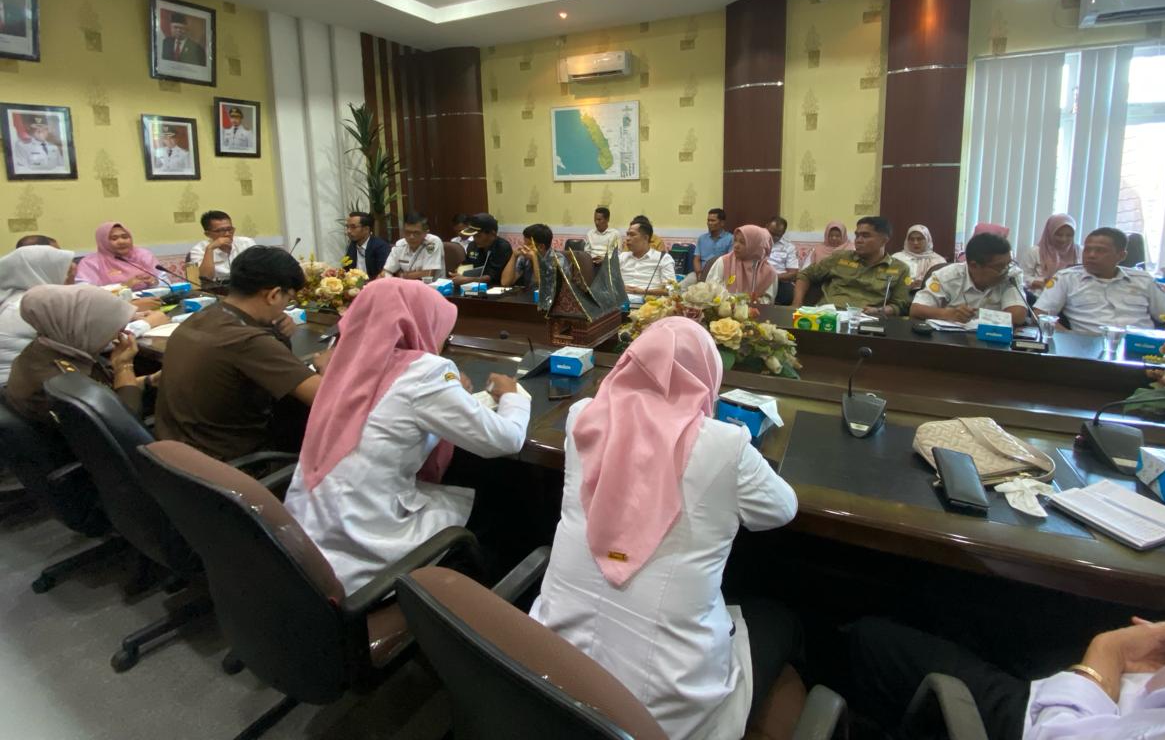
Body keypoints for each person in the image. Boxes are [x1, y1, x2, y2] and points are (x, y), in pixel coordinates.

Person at [530, 318, 800, 740]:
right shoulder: (725, 445)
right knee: (781, 622)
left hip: (546, 674)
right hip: (659, 711)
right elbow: (782, 509)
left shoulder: (583, 416)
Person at [284, 279, 531, 594]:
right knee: (504, 507)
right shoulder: (424, 372)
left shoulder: (342, 360)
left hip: (306, 537)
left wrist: (450, 392)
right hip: (364, 544)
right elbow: (507, 440)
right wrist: (512, 397)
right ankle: (478, 602)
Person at [844, 615, 1165, 740]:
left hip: (1068, 722)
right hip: (1148, 692)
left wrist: (1105, 656)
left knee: (871, 642)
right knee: (977, 611)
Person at [154, 247, 321, 461]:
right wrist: (327, 367)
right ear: (273, 295)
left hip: (173, 457)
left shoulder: (203, 316)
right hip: (230, 465)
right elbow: (327, 399)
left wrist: (274, 332)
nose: (285, 308)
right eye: (288, 299)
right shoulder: (248, 341)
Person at [4, 284, 153, 424]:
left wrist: (149, 380)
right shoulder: (63, 379)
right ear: (84, 326)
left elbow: (107, 390)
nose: (119, 334)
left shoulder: (46, 351)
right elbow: (124, 423)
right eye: (112, 327)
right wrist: (124, 367)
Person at [1034, 227, 1165, 335]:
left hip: (1139, 347)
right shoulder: (1066, 278)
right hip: (1088, 348)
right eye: (1087, 250)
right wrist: (1070, 338)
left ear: (1121, 255)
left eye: (1100, 251)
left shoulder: (1143, 280)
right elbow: (1040, 314)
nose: (1091, 255)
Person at [793, 216, 911, 316]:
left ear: (884, 240)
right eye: (857, 235)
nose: (858, 240)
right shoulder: (840, 258)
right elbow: (805, 274)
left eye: (865, 236)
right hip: (828, 315)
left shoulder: (900, 269)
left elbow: (900, 304)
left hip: (866, 319)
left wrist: (879, 311)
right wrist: (796, 304)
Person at [910, 232, 1028, 325]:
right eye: (1000, 267)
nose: (1006, 270)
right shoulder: (947, 276)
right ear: (974, 266)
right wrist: (949, 314)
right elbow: (916, 309)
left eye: (1009, 263)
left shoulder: (1011, 274)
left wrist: (980, 318)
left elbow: (1017, 317)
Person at [0, 245, 76, 385]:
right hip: (17, 387)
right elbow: (86, 341)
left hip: (25, 379)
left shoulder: (15, 297)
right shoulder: (29, 306)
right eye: (66, 273)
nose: (70, 280)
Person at [75, 221, 163, 289]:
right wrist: (123, 286)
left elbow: (164, 280)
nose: (121, 242)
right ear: (103, 241)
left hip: (151, 300)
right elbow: (85, 292)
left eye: (125, 237)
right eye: (114, 238)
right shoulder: (90, 263)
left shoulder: (143, 254)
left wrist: (155, 282)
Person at [704, 225, 778, 303]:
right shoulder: (724, 262)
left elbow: (768, 300)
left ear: (755, 245)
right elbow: (710, 289)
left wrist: (756, 302)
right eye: (735, 240)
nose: (736, 246)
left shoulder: (769, 272)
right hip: (724, 308)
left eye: (742, 242)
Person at [188, 210, 256, 285]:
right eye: (220, 231)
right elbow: (205, 279)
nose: (227, 234)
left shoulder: (247, 243)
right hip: (216, 287)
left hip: (246, 286)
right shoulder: (198, 250)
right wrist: (210, 249)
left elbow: (258, 271)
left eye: (229, 229)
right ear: (207, 234)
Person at [618, 218, 675, 298]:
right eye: (627, 234)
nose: (627, 238)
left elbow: (672, 290)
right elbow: (608, 283)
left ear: (645, 238)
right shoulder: (622, 257)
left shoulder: (663, 259)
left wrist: (644, 291)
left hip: (649, 303)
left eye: (632, 235)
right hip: (619, 302)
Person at [1022, 214, 1080, 292]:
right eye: (1059, 235)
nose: (1063, 239)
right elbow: (1022, 276)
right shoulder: (1035, 251)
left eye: (1069, 235)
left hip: (1070, 295)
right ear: (1050, 232)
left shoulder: (1079, 251)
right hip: (1039, 295)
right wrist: (1038, 283)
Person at [453, 213, 513, 288]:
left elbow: (493, 276)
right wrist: (459, 273)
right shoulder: (472, 245)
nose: (475, 239)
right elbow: (467, 264)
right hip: (473, 287)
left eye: (478, 236)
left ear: (492, 234)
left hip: (496, 288)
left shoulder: (502, 247)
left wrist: (468, 280)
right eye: (473, 236)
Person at [381, 212, 444, 280]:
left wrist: (401, 275)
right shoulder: (400, 244)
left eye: (416, 233)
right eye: (407, 232)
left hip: (431, 285)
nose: (411, 237)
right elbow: (387, 271)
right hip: (405, 285)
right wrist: (388, 276)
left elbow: (428, 274)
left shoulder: (433, 242)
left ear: (426, 232)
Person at [500, 223, 560, 290]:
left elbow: (543, 287)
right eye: (524, 243)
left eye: (528, 244)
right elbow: (505, 283)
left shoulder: (557, 259)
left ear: (541, 247)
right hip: (528, 295)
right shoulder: (525, 258)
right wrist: (514, 256)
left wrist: (534, 259)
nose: (524, 247)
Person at [893, 224, 947, 290]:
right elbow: (889, 281)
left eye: (919, 239)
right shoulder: (896, 258)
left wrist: (926, 284)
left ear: (927, 240)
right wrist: (906, 286)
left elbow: (945, 284)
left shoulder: (939, 260)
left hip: (930, 295)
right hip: (901, 294)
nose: (915, 243)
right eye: (912, 239)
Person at [343, 211, 391, 279]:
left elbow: (384, 274)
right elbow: (346, 269)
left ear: (366, 229)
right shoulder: (352, 245)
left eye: (353, 227)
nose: (348, 231)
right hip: (355, 284)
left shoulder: (380, 247)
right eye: (347, 227)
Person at [693, 208, 733, 278]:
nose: (709, 223)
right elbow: (697, 259)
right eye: (708, 220)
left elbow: (731, 261)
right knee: (683, 283)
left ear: (722, 223)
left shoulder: (730, 239)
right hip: (702, 273)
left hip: (721, 275)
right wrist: (699, 274)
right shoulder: (702, 238)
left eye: (713, 220)